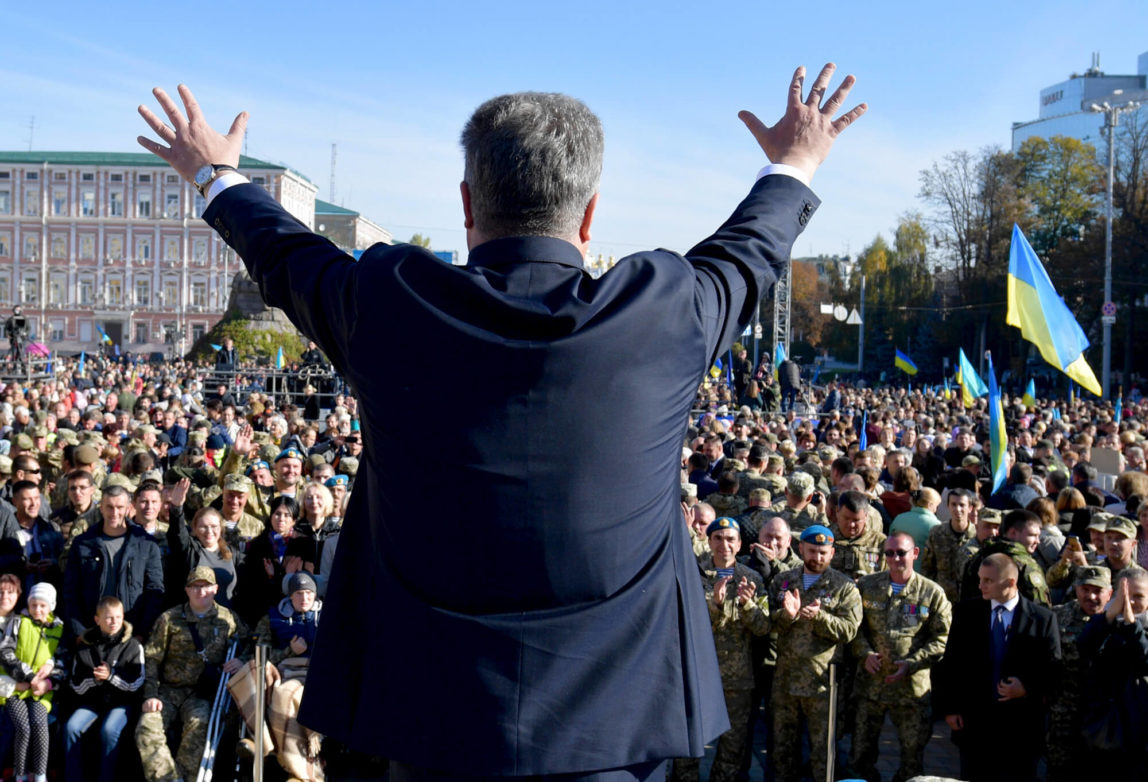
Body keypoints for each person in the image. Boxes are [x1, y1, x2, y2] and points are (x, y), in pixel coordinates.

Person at [136, 62, 866, 779]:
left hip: (434, 723)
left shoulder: (393, 303)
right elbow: (747, 255)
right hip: (614, 727)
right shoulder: (660, 312)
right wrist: (794, 162)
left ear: (466, 202)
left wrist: (215, 175)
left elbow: (286, 253)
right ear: (588, 213)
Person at [935, 553, 1061, 782]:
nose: (980, 585)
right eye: (980, 578)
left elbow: (1052, 669)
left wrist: (1026, 687)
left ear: (1010, 582)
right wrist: (950, 707)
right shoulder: (967, 613)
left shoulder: (1042, 619)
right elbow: (952, 662)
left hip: (1020, 727)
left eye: (988, 580)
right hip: (976, 724)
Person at [670, 518, 769, 782]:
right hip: (697, 672)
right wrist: (715, 603)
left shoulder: (753, 579)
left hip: (737, 677)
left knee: (732, 745)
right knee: (689, 741)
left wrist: (748, 606)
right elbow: (686, 617)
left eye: (730, 539)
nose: (724, 545)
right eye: (718, 538)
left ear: (739, 544)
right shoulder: (693, 573)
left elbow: (763, 628)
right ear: (709, 540)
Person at [849, 531, 951, 782]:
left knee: (911, 756)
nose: (895, 558)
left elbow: (942, 638)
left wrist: (913, 663)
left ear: (914, 554)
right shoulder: (867, 586)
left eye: (901, 553)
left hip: (911, 690)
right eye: (889, 553)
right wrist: (865, 654)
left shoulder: (932, 593)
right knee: (860, 754)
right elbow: (854, 628)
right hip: (871, 687)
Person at [767, 524, 862, 782]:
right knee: (783, 749)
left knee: (823, 752)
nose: (817, 558)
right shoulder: (783, 581)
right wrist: (788, 615)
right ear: (801, 549)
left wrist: (820, 617)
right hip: (786, 680)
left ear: (832, 553)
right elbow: (769, 624)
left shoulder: (844, 587)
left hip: (822, 684)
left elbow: (849, 631)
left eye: (823, 552)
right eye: (812, 551)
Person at [135, 567, 246, 782]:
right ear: (187, 590)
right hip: (168, 692)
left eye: (205, 586)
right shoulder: (169, 619)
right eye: (195, 586)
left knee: (200, 725)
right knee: (147, 727)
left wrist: (242, 661)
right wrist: (150, 695)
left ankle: (184, 778)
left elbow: (253, 641)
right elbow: (151, 659)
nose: (200, 591)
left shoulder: (228, 619)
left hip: (201, 695)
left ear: (215, 589)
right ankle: (169, 779)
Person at [62, 485, 166, 641]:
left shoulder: (146, 544)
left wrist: (142, 632)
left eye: (119, 507)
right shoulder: (83, 544)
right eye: (109, 507)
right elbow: (71, 591)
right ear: (101, 508)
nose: (114, 513)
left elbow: (154, 591)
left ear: (128, 508)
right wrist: (79, 632)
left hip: (132, 633)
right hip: (91, 632)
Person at [64, 596, 146, 782]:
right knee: (71, 727)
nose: (114, 622)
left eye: (118, 617)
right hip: (92, 702)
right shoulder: (85, 646)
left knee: (109, 730)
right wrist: (95, 680)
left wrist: (111, 676)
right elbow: (75, 684)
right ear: (97, 619)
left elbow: (137, 682)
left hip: (121, 703)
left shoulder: (133, 645)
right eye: (108, 617)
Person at [1046, 565, 1112, 782]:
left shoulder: (1117, 620)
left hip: (1102, 715)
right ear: (1076, 589)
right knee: (1059, 771)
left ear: (1109, 593)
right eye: (1085, 589)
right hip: (1063, 712)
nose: (1091, 596)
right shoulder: (1057, 616)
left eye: (1097, 590)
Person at [0, 582, 68, 782]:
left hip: (41, 691)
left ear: (51, 607)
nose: (37, 610)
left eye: (43, 606)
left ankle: (40, 774)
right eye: (33, 605)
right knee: (23, 727)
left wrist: (48, 682)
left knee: (40, 724)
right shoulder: (18, 622)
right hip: (16, 689)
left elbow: (63, 661)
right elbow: (5, 652)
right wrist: (29, 677)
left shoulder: (58, 628)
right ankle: (19, 774)